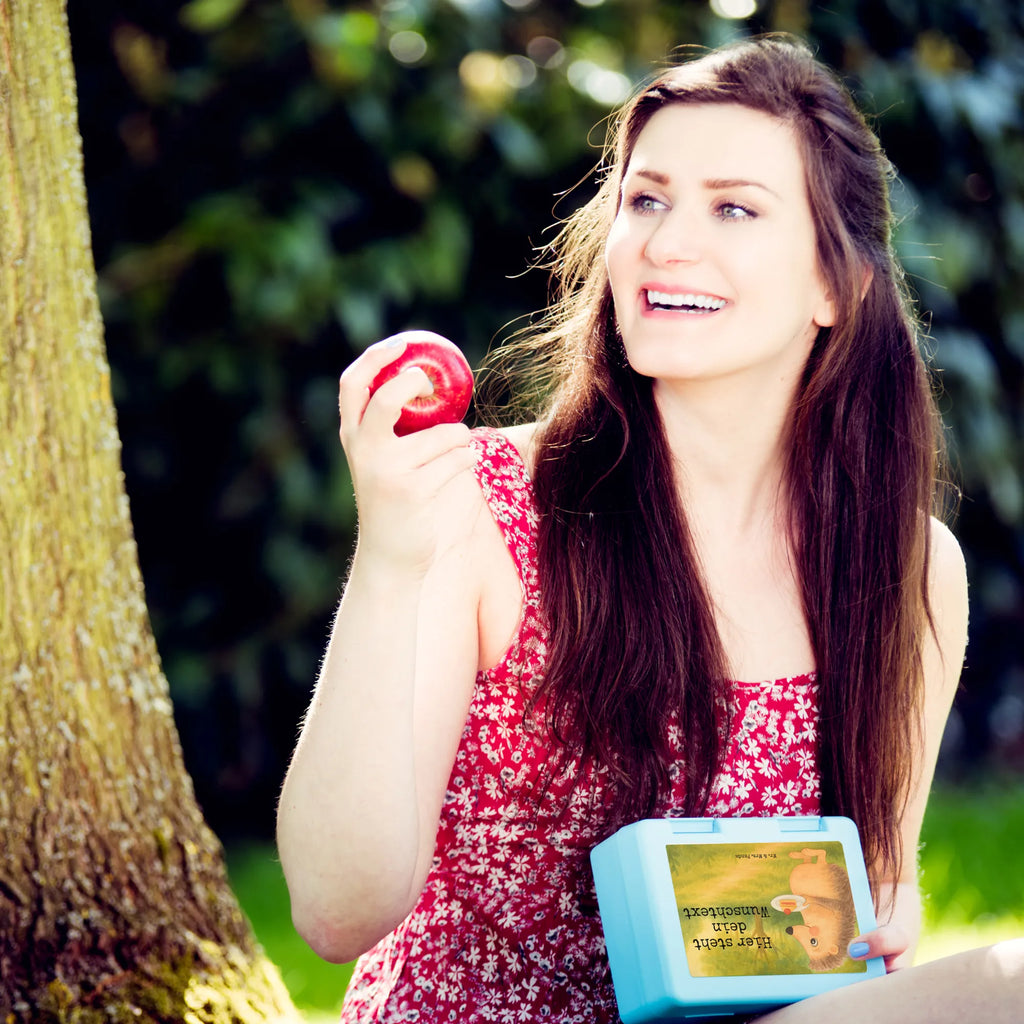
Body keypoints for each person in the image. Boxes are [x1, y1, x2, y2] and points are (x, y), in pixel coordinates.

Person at [276, 34, 1023, 1023]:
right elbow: (336, 911)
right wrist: (391, 558)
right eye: (646, 200)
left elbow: (870, 908)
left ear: (834, 286)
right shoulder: (479, 506)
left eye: (733, 208)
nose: (667, 243)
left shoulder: (909, 571)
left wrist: (884, 909)